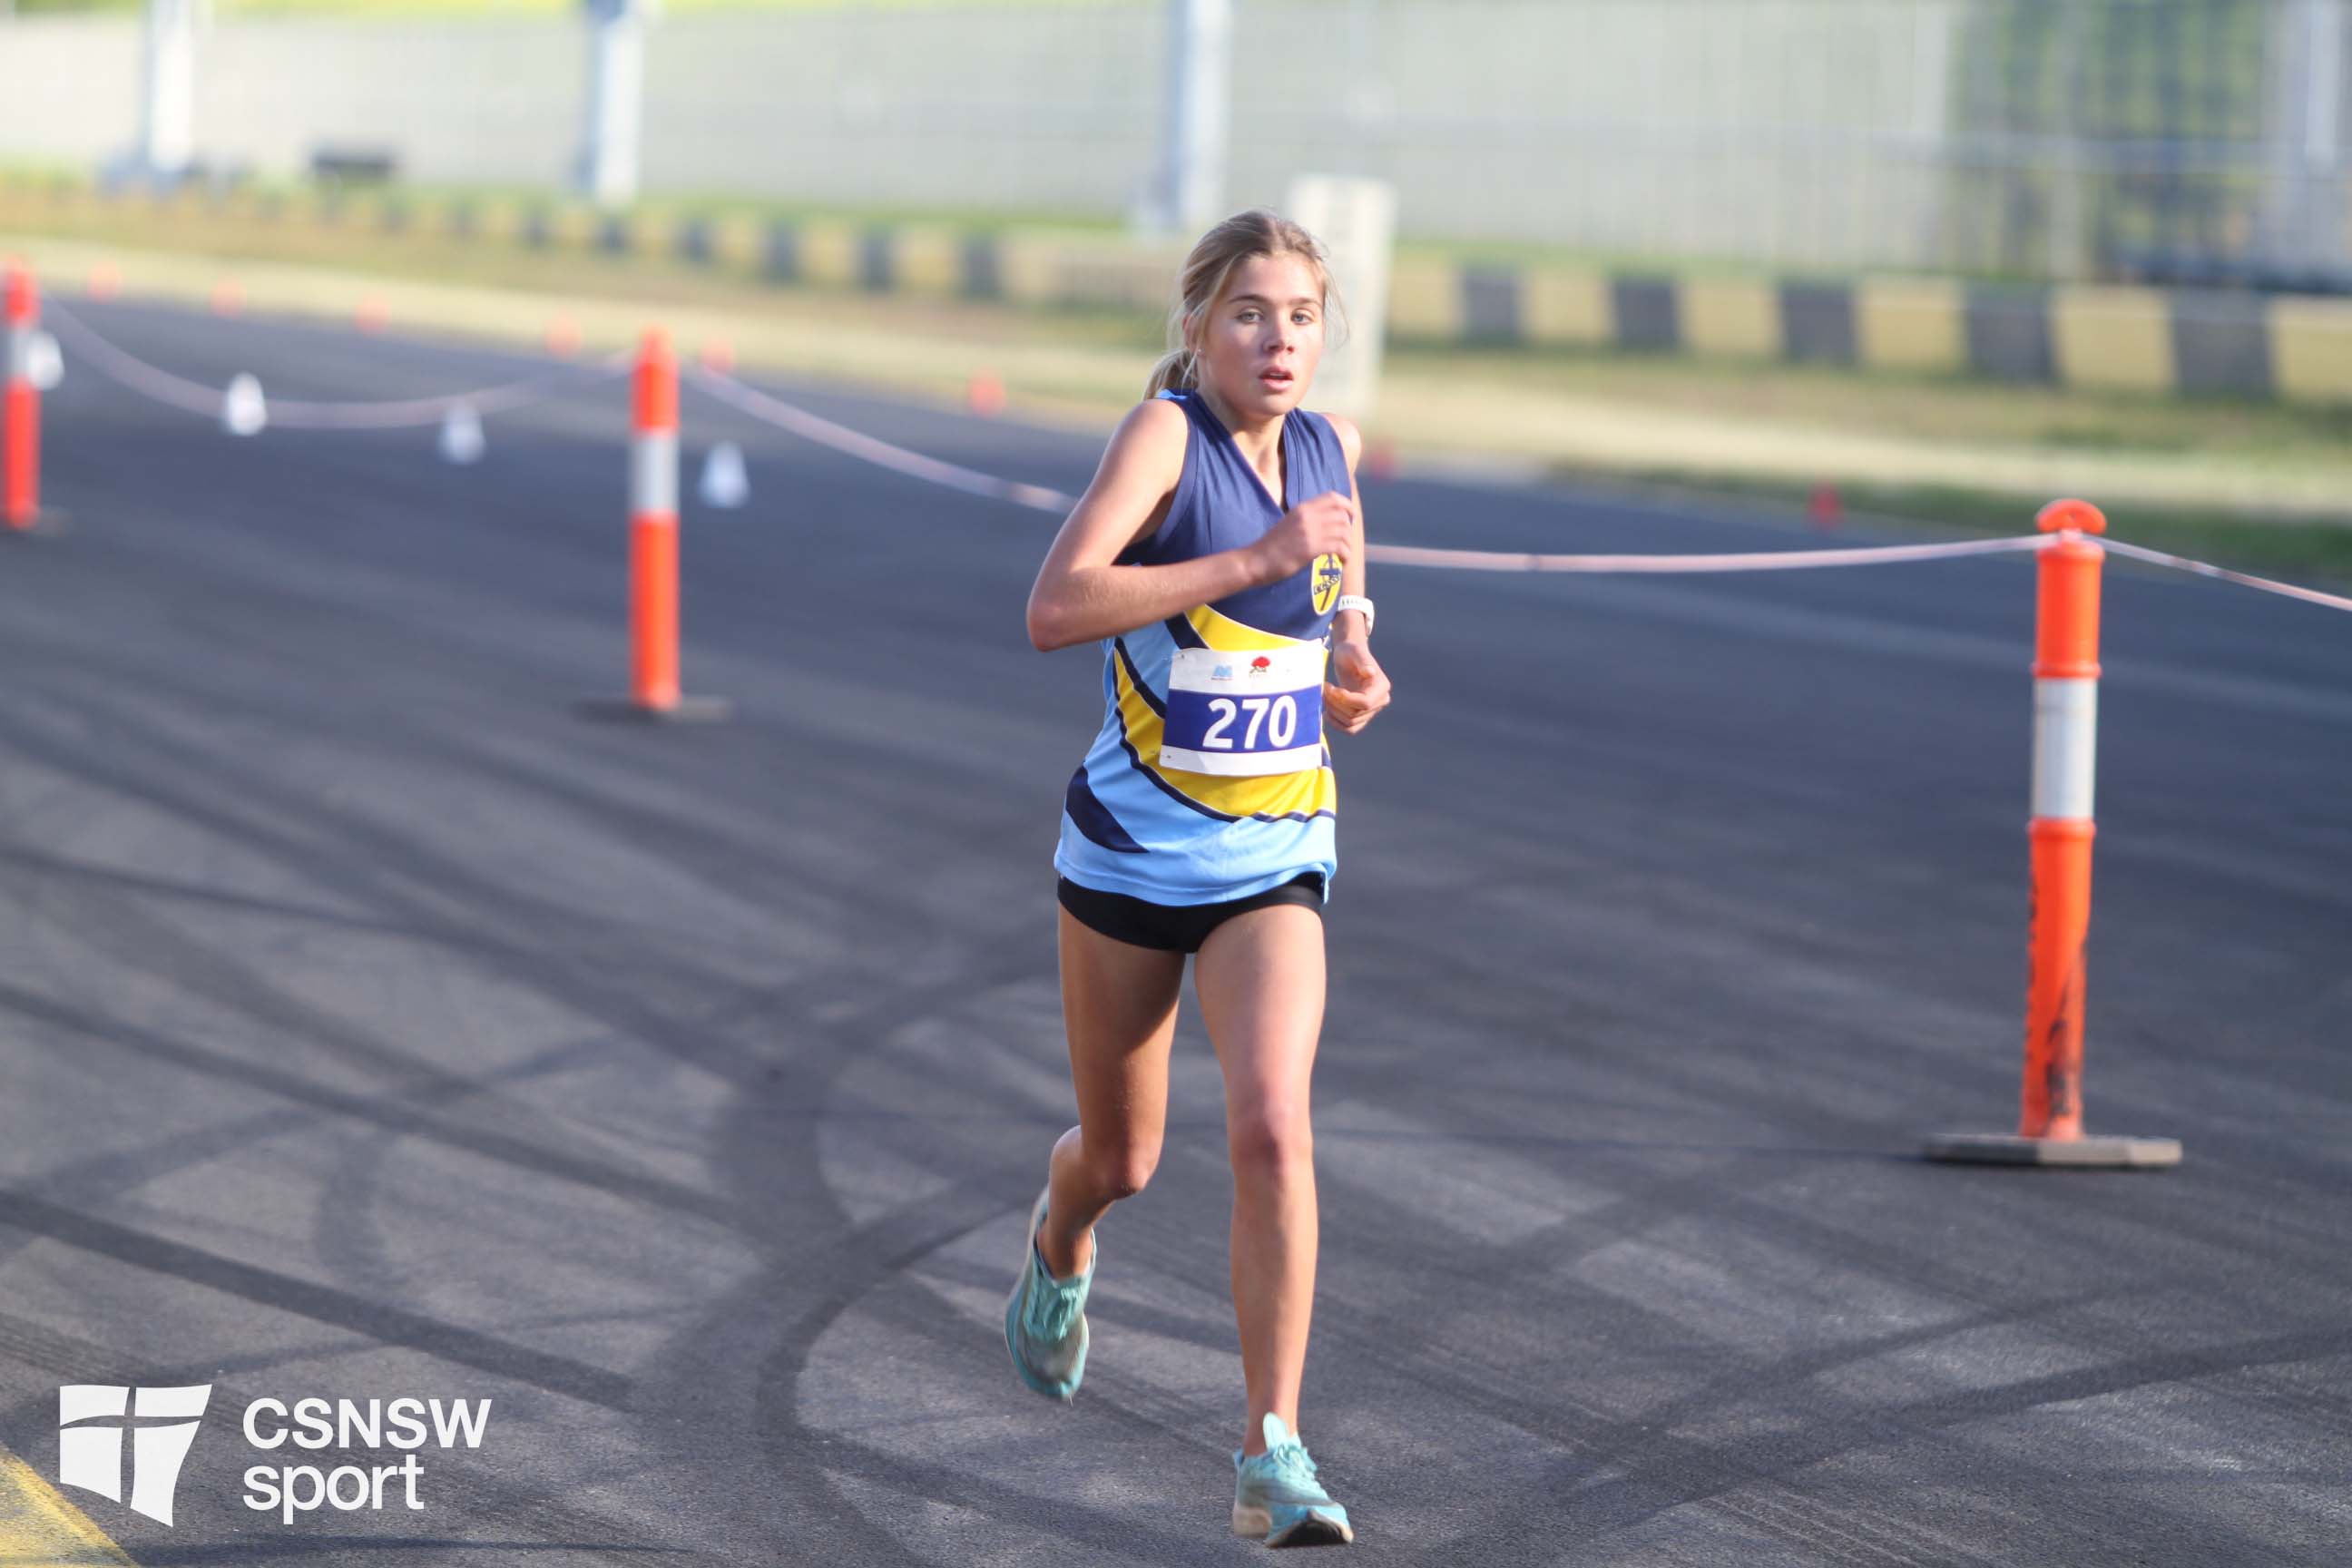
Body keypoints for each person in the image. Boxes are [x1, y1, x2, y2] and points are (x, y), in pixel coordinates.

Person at [1013, 208, 1393, 1548]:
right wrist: (1250, 563)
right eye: (1249, 313)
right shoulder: (1162, 440)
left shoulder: (1331, 448)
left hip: (1273, 854)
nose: (1278, 340)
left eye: (1301, 317)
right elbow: (1056, 609)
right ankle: (1060, 1240)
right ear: (1197, 326)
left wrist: (1353, 655)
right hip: (1130, 856)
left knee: (1274, 1127)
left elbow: (1338, 572)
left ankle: (1270, 1449)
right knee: (1122, 1157)